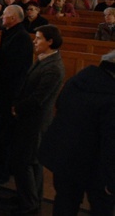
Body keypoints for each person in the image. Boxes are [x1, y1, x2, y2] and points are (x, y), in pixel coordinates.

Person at [40, 50, 115, 216]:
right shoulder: (111, 95)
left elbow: (59, 106)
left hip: (64, 155)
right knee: (101, 208)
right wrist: (111, 181)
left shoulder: (78, 80)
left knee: (64, 204)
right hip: (94, 165)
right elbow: (111, 142)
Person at [10, 25, 65, 215]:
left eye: (39, 38)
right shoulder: (44, 60)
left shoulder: (54, 68)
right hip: (29, 119)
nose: (35, 41)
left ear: (50, 42)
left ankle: (30, 203)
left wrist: (17, 107)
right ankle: (30, 197)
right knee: (30, 161)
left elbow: (39, 98)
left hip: (35, 121)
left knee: (27, 162)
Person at [0, 5, 33, 186]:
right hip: (5, 90)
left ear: (13, 18)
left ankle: (1, 173)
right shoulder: (10, 32)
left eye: (4, 15)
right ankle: (2, 168)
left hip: (11, 92)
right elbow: (2, 59)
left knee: (3, 133)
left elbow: (13, 67)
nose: (2, 17)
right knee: (1, 131)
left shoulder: (20, 38)